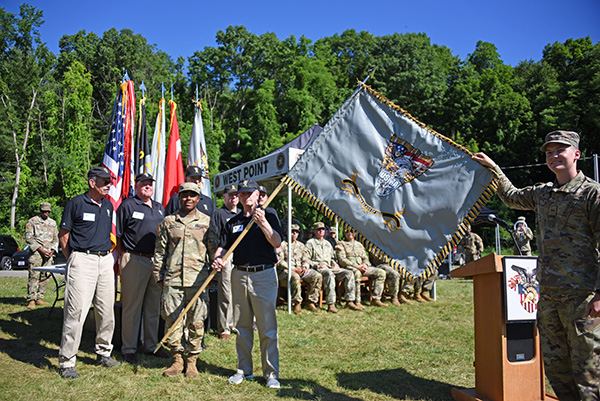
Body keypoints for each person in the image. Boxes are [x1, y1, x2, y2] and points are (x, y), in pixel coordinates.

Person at [473, 130, 600, 400]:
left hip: (583, 299)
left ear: (576, 154)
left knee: (589, 373)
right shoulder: (543, 193)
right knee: (557, 370)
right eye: (549, 152)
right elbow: (511, 196)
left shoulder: (592, 194)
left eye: (560, 150)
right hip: (549, 298)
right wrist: (494, 168)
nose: (554, 156)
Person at [212, 179, 283, 389]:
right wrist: (218, 258)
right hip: (239, 275)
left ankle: (271, 373)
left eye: (249, 193)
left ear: (257, 195)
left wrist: (263, 223)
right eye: (242, 194)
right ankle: (244, 369)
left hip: (263, 275)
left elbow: (277, 242)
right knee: (242, 327)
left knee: (267, 328)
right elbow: (223, 247)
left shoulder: (269, 215)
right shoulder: (232, 222)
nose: (245, 196)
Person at [57, 166, 121, 379]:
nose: (108, 185)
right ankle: (67, 361)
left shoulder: (109, 205)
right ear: (92, 183)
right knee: (76, 312)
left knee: (106, 311)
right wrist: (74, 260)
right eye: (104, 181)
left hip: (104, 261)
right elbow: (63, 235)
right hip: (81, 259)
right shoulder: (76, 203)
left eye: (109, 181)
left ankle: (104, 352)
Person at [152, 182, 212, 378]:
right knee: (173, 320)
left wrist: (214, 277)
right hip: (173, 280)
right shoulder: (168, 222)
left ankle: (192, 361)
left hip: (198, 280)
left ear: (198, 199)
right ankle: (177, 360)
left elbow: (214, 252)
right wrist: (158, 276)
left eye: (192, 195)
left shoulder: (207, 222)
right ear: (179, 198)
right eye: (184, 195)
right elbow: (160, 252)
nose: (188, 198)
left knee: (196, 322)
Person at [116, 172, 168, 364]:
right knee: (132, 306)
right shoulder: (128, 205)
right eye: (143, 184)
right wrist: (125, 255)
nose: (147, 186)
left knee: (153, 306)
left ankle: (151, 345)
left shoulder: (159, 207)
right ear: (136, 186)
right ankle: (129, 348)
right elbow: (119, 234)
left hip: (155, 261)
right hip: (135, 259)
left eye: (150, 184)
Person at [305, 222, 361, 312]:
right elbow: (306, 259)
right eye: (318, 229)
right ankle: (331, 304)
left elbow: (332, 258)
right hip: (319, 268)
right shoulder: (310, 243)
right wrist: (317, 265)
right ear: (314, 231)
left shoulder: (327, 244)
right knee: (329, 274)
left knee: (349, 273)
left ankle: (350, 301)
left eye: (322, 229)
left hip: (329, 267)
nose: (321, 231)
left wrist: (335, 264)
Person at [207, 184, 240, 341]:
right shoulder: (219, 214)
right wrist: (217, 257)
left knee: (239, 292)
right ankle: (224, 327)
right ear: (224, 197)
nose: (234, 197)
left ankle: (236, 324)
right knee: (226, 292)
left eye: (236, 195)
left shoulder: (242, 214)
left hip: (241, 257)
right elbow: (214, 237)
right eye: (230, 195)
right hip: (225, 255)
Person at [277, 224, 323, 314]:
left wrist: (305, 267)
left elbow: (306, 259)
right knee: (295, 277)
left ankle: (311, 302)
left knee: (317, 276)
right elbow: (280, 262)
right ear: (287, 232)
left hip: (301, 270)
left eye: (296, 232)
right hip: (286, 271)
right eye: (292, 231)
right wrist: (294, 269)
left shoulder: (301, 245)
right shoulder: (281, 245)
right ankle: (297, 303)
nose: (294, 233)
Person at [336, 229, 388, 307]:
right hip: (350, 267)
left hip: (362, 267)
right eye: (347, 231)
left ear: (355, 233)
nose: (349, 233)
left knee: (381, 273)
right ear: (344, 233)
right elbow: (342, 260)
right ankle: (357, 301)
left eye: (351, 231)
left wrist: (365, 265)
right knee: (357, 273)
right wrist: (357, 266)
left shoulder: (359, 245)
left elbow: (365, 258)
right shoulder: (341, 244)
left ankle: (376, 299)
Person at [25, 202, 58, 309]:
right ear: (40, 211)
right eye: (44, 212)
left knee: (46, 275)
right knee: (34, 275)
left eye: (48, 212)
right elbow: (29, 238)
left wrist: (53, 250)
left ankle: (39, 297)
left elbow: (56, 238)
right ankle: (32, 299)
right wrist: (41, 250)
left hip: (49, 253)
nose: (46, 214)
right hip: (37, 253)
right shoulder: (32, 221)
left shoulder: (52, 223)